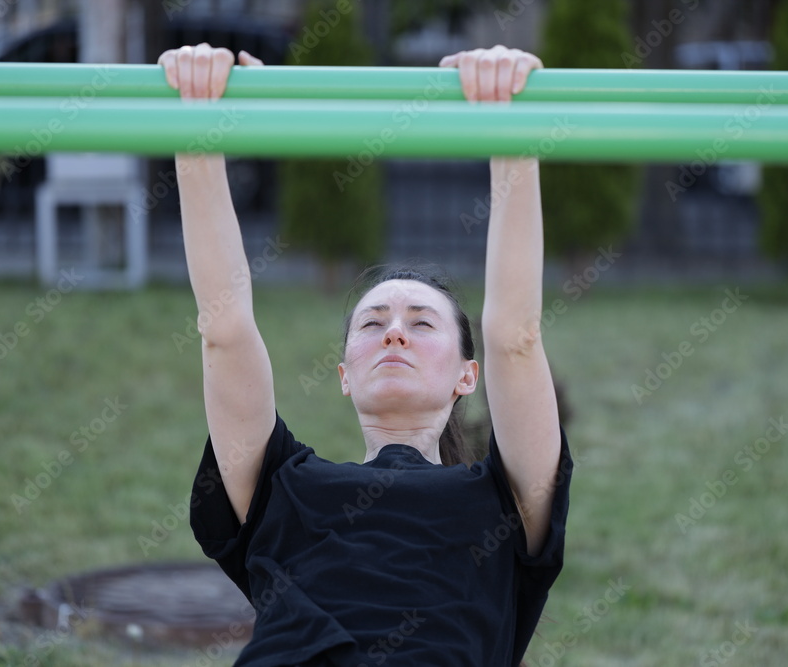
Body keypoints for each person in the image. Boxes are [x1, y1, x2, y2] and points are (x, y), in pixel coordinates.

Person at [159, 42, 573, 667]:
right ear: (344, 375)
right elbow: (224, 327)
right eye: (372, 323)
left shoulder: (503, 502)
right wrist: (198, 118)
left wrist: (507, 120)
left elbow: (515, 336)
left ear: (468, 375)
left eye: (422, 322)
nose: (394, 333)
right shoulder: (282, 489)